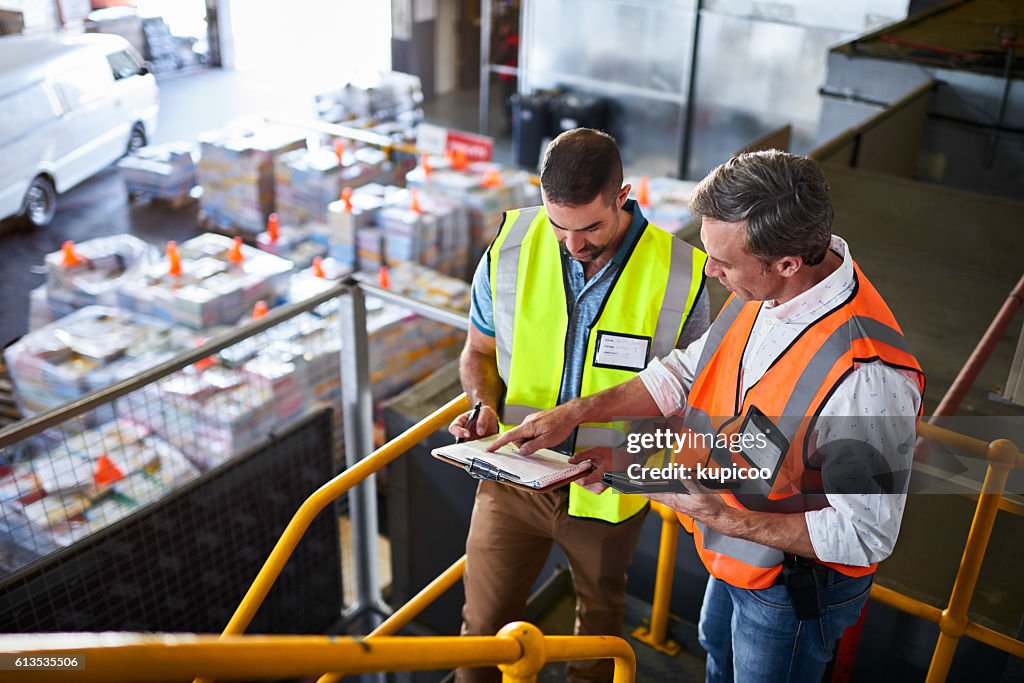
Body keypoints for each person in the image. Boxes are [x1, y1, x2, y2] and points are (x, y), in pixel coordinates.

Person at [490, 150, 925, 682]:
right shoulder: (766, 288)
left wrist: (721, 516)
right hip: (738, 548)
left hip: (790, 586)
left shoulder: (867, 379)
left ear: (787, 262)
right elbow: (684, 373)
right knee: (716, 652)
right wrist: (577, 413)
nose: (710, 271)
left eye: (723, 262)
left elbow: (865, 536)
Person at [448, 127, 710, 683]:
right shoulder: (513, 244)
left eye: (589, 226)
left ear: (622, 195)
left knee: (596, 643)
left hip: (607, 494)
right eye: (558, 225)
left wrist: (632, 458)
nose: (572, 243)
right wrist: (484, 406)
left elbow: (696, 404)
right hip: (511, 478)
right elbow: (478, 351)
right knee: (482, 633)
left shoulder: (684, 275)